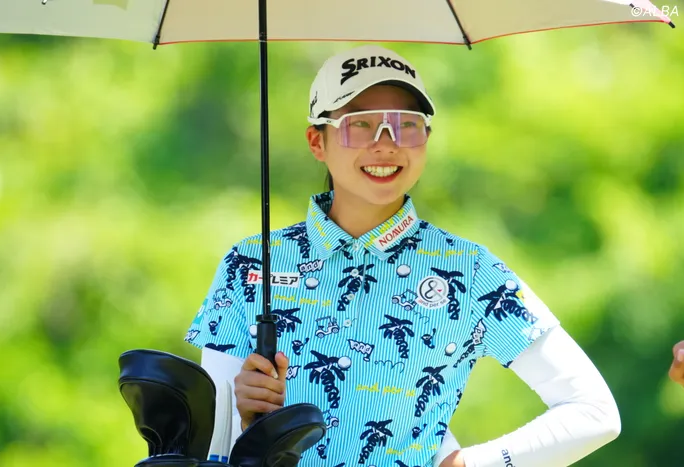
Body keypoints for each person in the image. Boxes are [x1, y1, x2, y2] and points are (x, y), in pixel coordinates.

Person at [185, 44, 621, 467]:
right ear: (317, 141)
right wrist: (245, 416)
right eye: (360, 124)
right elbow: (206, 448)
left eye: (406, 124)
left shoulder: (469, 270)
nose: (386, 143)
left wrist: (469, 464)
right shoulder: (251, 264)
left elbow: (593, 411)